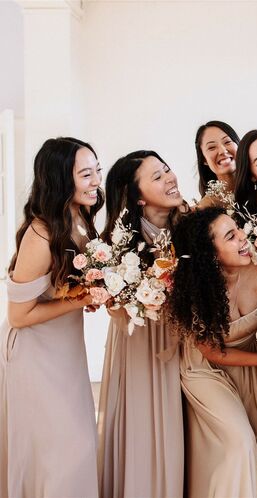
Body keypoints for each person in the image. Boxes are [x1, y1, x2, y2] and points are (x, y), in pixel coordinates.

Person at [1, 137, 103, 497]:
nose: (96, 182)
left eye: (97, 171)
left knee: (77, 444)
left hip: (64, 351)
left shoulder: (80, 218)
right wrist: (79, 299)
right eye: (86, 174)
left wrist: (77, 295)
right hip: (35, 354)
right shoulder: (41, 234)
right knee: (60, 452)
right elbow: (18, 315)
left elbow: (62, 289)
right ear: (61, 179)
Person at [169, 207, 257, 497]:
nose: (244, 238)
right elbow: (214, 353)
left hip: (251, 367)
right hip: (206, 372)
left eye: (239, 229)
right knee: (240, 443)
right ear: (210, 254)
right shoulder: (197, 291)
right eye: (231, 236)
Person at [97, 150, 186, 498]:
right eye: (157, 177)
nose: (170, 178)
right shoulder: (119, 243)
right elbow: (113, 309)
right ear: (136, 196)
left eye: (167, 169)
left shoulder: (190, 225)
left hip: (187, 344)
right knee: (144, 430)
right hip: (140, 344)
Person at [195, 120, 241, 197]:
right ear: (204, 159)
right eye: (212, 147)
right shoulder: (206, 206)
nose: (223, 151)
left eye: (227, 142)